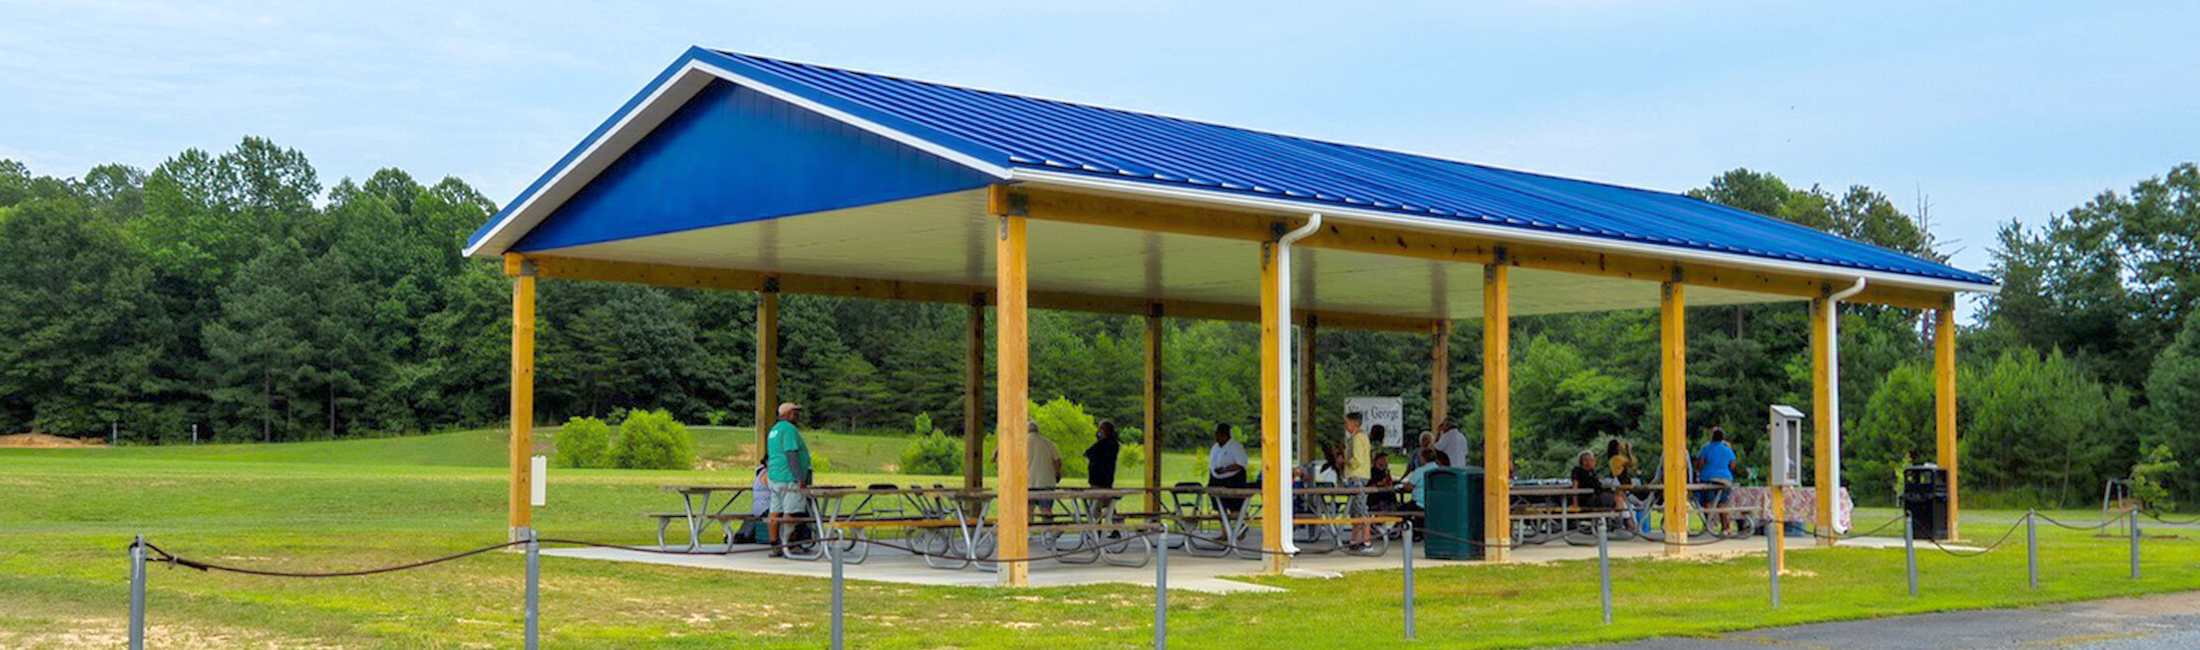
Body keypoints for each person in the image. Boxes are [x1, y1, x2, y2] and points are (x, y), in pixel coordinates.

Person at [764, 402, 811, 556]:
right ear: (787, 413)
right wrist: (800, 478)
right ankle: (788, 544)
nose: (797, 415)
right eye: (795, 412)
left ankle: (774, 543)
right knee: (792, 512)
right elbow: (791, 453)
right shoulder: (789, 429)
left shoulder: (774, 430)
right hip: (788, 478)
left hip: (775, 477)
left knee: (775, 510)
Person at [1694, 425, 1741, 536]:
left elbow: (1700, 463)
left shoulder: (1706, 448)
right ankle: (1726, 527)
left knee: (1708, 503)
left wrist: (1699, 471)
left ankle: (1709, 525)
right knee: (1722, 504)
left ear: (1712, 437)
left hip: (1708, 478)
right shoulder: (1727, 449)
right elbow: (1733, 465)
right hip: (1725, 478)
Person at [1343, 412, 1374, 549]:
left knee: (1360, 508)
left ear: (1354, 423)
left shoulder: (1357, 438)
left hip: (1356, 475)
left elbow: (1357, 460)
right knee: (1355, 510)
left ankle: (1366, 540)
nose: (1345, 425)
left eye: (1347, 422)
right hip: (1362, 475)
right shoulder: (1362, 437)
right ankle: (1354, 540)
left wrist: (1345, 461)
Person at [1207, 423, 1250, 514]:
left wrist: (1225, 470)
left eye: (1218, 434)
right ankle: (1224, 526)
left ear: (1225, 435)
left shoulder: (1236, 446)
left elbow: (1241, 464)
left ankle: (1237, 525)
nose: (1216, 437)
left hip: (1233, 480)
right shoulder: (1215, 447)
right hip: (1216, 480)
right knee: (1220, 506)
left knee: (1234, 506)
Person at [1607, 439, 1648, 532]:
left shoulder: (1615, 458)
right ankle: (1628, 525)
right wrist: (1629, 451)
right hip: (1622, 483)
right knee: (1632, 503)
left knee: (1629, 506)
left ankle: (1630, 525)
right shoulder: (1617, 459)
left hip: (1622, 482)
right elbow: (1632, 462)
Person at [1028, 421, 1062, 517]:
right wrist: (1058, 474)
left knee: (1028, 510)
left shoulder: (1021, 442)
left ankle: (1029, 532)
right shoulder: (1048, 443)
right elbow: (1057, 461)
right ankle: (1048, 531)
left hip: (1028, 482)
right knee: (1046, 510)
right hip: (1046, 482)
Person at [1084, 420, 1121, 489]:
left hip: (1098, 478)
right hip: (1107, 479)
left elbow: (1088, 453)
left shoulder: (1103, 443)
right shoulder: (1114, 443)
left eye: (1101, 429)